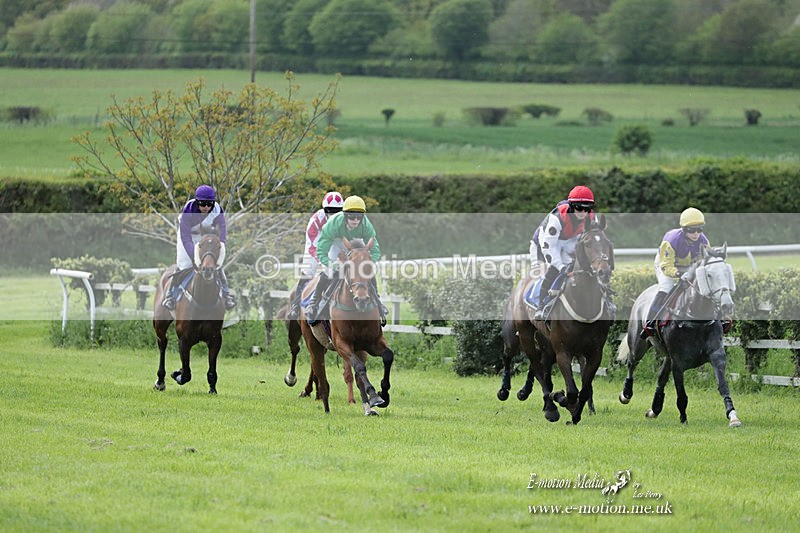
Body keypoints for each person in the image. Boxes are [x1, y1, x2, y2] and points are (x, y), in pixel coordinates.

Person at [304, 195, 388, 325]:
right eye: (351, 216)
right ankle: (314, 304)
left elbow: (375, 250)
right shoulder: (332, 224)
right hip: (334, 241)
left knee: (365, 271)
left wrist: (368, 263)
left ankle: (378, 302)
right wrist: (333, 265)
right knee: (330, 272)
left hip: (354, 241)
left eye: (359, 216)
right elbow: (321, 251)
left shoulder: (366, 225)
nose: (355, 220)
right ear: (344, 215)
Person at [162, 184, 236, 311]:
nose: (206, 207)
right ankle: (170, 295)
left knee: (215, 264)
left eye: (209, 204)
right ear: (197, 202)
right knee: (184, 264)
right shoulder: (188, 209)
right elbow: (185, 237)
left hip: (204, 236)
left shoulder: (217, 209)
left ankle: (226, 294)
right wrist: (193, 256)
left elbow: (222, 227)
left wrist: (221, 244)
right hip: (187, 236)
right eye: (203, 204)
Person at [640, 207, 709, 338]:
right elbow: (666, 266)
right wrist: (678, 274)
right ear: (684, 229)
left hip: (689, 267)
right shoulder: (671, 240)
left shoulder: (704, 242)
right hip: (666, 263)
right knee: (667, 286)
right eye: (692, 230)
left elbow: (704, 263)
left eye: (699, 229)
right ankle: (650, 321)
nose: (696, 234)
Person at [530, 185, 596, 320]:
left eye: (587, 208)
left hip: (568, 241)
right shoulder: (557, 217)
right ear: (572, 206)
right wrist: (561, 267)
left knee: (576, 268)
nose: (583, 212)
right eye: (579, 207)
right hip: (544, 243)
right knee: (554, 269)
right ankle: (540, 306)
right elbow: (549, 247)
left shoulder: (591, 217)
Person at [286, 191, 344, 320]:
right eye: (330, 211)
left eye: (337, 211)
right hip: (316, 243)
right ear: (324, 209)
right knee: (309, 270)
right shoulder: (316, 221)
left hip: (335, 242)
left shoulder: (346, 219)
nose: (333, 214)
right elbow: (313, 247)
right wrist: (324, 260)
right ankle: (296, 306)